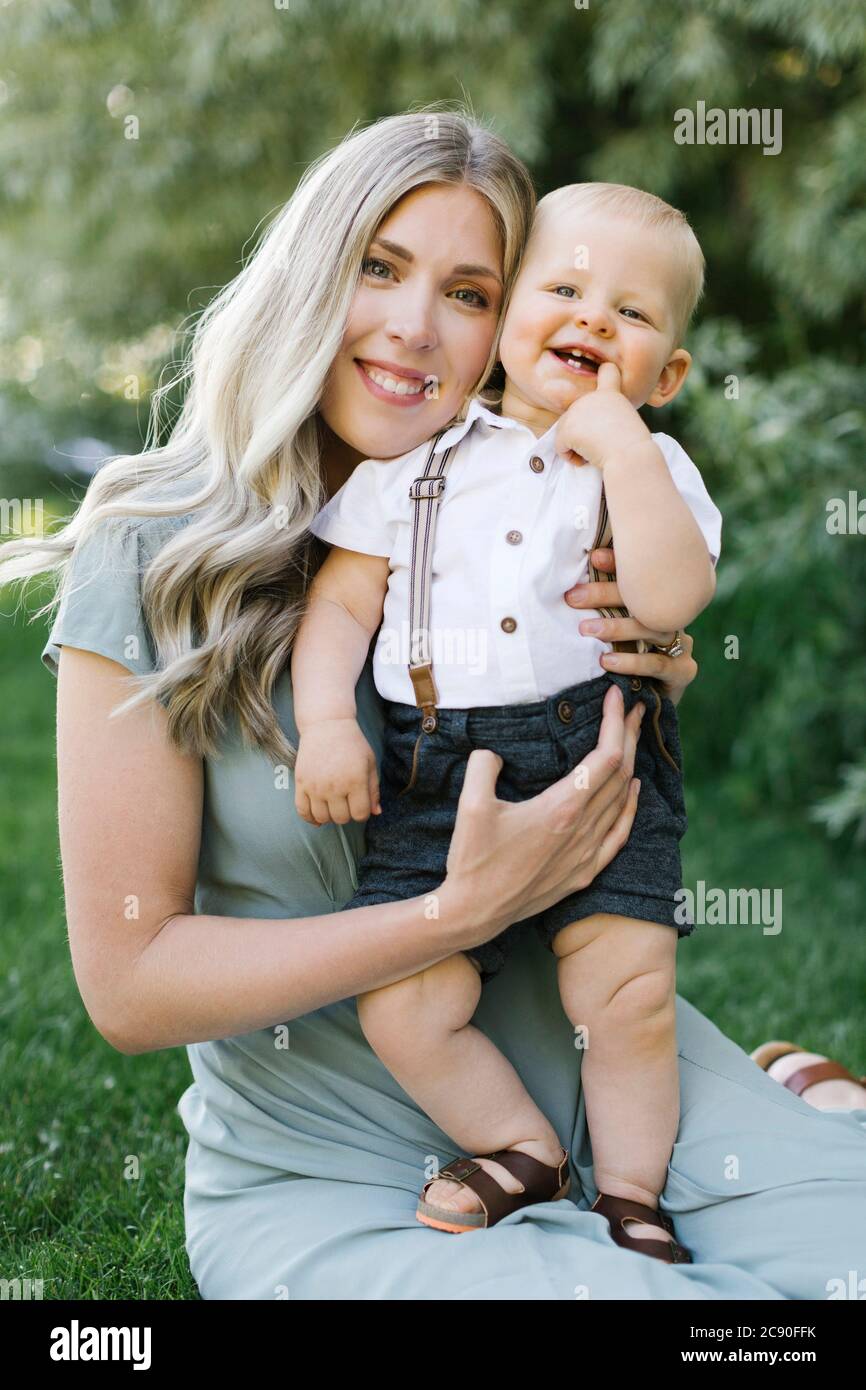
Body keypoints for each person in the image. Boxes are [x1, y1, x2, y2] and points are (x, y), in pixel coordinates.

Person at [5, 108, 864, 1300]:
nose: (414, 326)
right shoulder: (150, 549)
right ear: (311, 274)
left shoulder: (559, 495)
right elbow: (131, 987)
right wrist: (457, 910)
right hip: (336, 1166)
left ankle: (795, 1106)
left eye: (466, 291)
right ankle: (805, 1103)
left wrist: (659, 663)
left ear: (505, 326)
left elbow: (650, 618)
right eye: (378, 267)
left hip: (599, 1077)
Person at [291, 181, 720, 1262]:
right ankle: (522, 1147)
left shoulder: (653, 469)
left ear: (664, 374)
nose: (591, 320)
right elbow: (342, 603)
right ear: (498, 329)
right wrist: (329, 727)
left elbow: (668, 604)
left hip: (598, 749)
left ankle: (631, 1194)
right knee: (404, 998)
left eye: (629, 313)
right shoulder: (418, 460)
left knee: (624, 993)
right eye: (564, 289)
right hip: (437, 764)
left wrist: (620, 446)